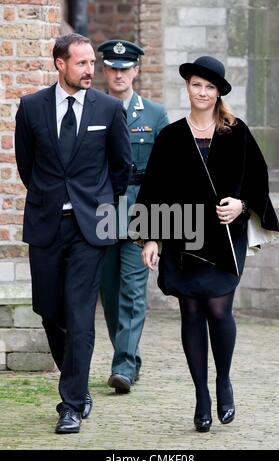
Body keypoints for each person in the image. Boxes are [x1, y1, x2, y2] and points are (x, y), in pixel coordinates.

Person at [136, 56, 279, 432]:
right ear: (188, 87)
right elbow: (154, 189)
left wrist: (241, 204)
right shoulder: (170, 136)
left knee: (219, 312)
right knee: (192, 315)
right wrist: (151, 237)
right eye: (196, 85)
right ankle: (201, 395)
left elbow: (258, 181)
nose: (202, 92)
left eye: (209, 87)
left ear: (218, 93)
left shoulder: (236, 132)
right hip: (183, 237)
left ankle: (223, 381)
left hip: (222, 239)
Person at [15, 33, 132, 434]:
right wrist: (52, 197)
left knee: (80, 314)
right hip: (46, 223)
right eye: (81, 64)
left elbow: (121, 167)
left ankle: (70, 403)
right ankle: (78, 384)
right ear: (60, 64)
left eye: (91, 64)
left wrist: (99, 206)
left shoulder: (109, 109)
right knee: (50, 310)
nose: (89, 71)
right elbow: (26, 166)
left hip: (90, 227)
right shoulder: (31, 107)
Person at [97, 39, 169, 393]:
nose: (119, 74)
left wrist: (157, 230)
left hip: (142, 212)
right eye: (113, 68)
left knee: (133, 292)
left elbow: (167, 174)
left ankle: (123, 366)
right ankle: (129, 356)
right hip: (102, 212)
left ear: (136, 71)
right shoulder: (92, 109)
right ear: (105, 71)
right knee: (109, 294)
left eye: (125, 69)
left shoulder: (155, 115)